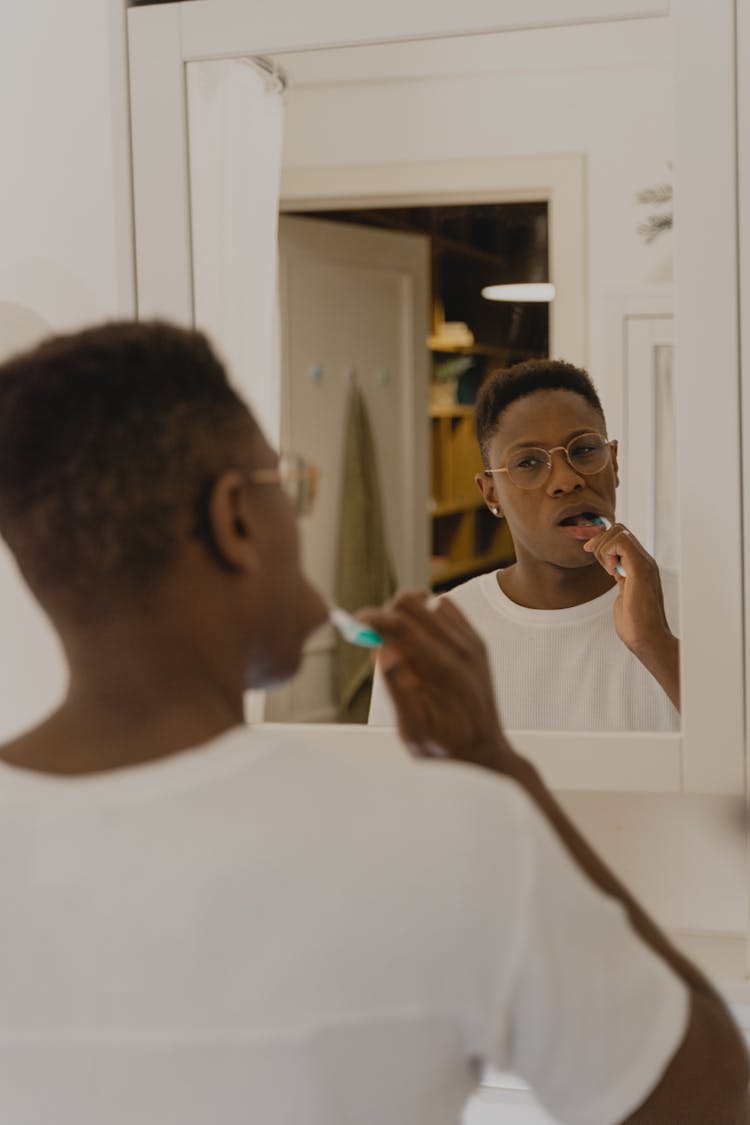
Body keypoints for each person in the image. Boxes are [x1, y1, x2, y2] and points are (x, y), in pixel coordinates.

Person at [0, 321, 745, 1125]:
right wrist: (501, 771)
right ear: (236, 519)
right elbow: (711, 1096)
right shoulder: (451, 837)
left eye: (583, 451)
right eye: (289, 484)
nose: (563, 478)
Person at [369, 359, 680, 732]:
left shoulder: (703, 610)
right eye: (529, 462)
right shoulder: (427, 643)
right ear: (490, 494)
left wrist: (654, 642)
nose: (566, 479)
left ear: (613, 464)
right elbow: (397, 787)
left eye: (583, 451)